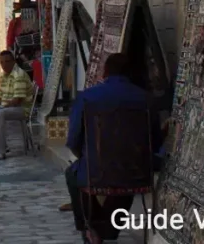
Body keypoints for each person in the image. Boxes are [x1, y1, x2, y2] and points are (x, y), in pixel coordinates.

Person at [63, 53, 163, 243]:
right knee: (124, 177)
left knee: (73, 174)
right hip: (138, 172)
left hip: (96, 172)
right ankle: (106, 229)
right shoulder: (147, 100)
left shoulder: (87, 97)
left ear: (105, 71)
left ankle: (90, 227)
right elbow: (155, 143)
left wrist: (87, 157)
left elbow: (74, 140)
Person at [0, 50, 35, 160]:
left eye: (7, 61)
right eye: (2, 62)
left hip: (21, 109)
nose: (4, 65)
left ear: (13, 62)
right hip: (9, 107)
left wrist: (0, 108)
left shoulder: (19, 75)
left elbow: (17, 100)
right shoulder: (3, 76)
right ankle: (1, 146)